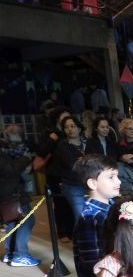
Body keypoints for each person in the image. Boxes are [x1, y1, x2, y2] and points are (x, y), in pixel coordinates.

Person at [72, 154, 121, 277]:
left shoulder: (111, 208)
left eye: (117, 176)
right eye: (111, 177)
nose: (118, 181)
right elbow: (93, 265)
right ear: (92, 183)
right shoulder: (90, 218)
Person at [35, 105, 73, 242]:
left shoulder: (70, 131)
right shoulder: (49, 133)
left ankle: (71, 230)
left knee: (70, 203)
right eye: (64, 116)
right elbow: (41, 151)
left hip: (69, 172)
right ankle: (62, 232)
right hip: (55, 173)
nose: (67, 119)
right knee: (60, 203)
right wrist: (52, 140)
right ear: (57, 118)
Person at [0, 142, 39, 267]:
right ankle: (20, 255)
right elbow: (9, 169)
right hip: (11, 192)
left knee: (12, 222)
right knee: (27, 221)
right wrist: (26, 158)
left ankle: (10, 253)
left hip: (6, 192)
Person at [55, 115, 87, 219]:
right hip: (72, 184)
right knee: (81, 216)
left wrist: (83, 161)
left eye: (72, 126)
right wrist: (88, 160)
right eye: (66, 127)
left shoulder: (86, 143)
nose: (69, 129)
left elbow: (97, 161)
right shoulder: (62, 146)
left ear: (79, 128)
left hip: (90, 183)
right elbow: (72, 164)